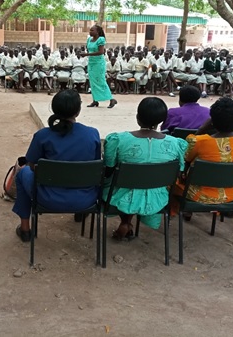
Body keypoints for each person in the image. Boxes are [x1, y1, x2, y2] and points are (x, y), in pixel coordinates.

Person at [12, 90, 101, 242]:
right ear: (78, 110)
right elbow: (95, 164)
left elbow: (32, 165)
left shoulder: (43, 135)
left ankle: (25, 229)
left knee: (22, 172)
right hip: (85, 198)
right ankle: (80, 212)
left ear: (54, 109)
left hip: (47, 198)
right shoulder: (92, 134)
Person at [104, 97, 187, 239]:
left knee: (115, 181)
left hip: (121, 195)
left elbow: (108, 169)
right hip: (156, 196)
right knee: (141, 182)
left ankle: (125, 222)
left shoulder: (119, 139)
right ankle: (127, 223)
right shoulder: (175, 144)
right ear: (161, 120)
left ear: (137, 117)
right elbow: (179, 171)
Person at [172, 97, 233, 211]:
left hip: (199, 194)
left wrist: (201, 129)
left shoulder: (198, 141)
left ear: (212, 122)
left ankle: (176, 212)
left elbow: (186, 156)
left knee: (169, 180)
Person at [81, 25, 117, 108]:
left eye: (92, 30)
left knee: (101, 81)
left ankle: (112, 100)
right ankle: (95, 100)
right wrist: (85, 53)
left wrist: (87, 54)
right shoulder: (89, 39)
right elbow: (88, 49)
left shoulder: (101, 39)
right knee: (92, 82)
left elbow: (101, 52)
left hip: (99, 63)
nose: (90, 32)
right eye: (90, 30)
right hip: (91, 63)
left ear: (97, 32)